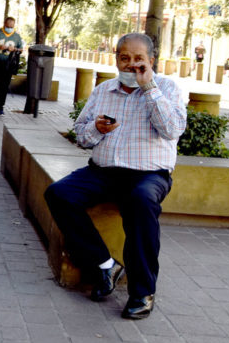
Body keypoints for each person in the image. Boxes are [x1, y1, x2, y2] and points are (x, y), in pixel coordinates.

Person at [44, 33, 186, 320]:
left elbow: (171, 130)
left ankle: (142, 292)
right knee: (59, 194)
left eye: (139, 59)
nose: (131, 65)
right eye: (125, 58)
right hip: (104, 171)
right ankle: (103, 264)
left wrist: (149, 89)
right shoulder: (104, 90)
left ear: (151, 61)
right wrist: (97, 129)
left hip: (149, 175)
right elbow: (82, 137)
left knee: (141, 201)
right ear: (116, 58)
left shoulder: (168, 88)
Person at [0, 17, 24, 116]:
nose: (9, 28)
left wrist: (14, 49)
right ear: (4, 24)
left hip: (8, 65)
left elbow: (21, 49)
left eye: (11, 26)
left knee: (4, 87)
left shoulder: (16, 36)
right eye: (8, 26)